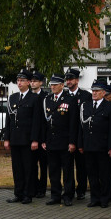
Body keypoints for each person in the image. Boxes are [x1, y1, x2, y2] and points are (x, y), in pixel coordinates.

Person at [5, 70, 43, 204]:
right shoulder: (13, 98)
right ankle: (18, 193)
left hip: (27, 140)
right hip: (15, 139)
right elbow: (8, 120)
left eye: (22, 80)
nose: (19, 83)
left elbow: (36, 121)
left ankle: (28, 194)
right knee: (17, 168)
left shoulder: (35, 98)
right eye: (18, 81)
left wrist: (35, 139)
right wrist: (7, 138)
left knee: (29, 168)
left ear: (28, 82)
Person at [80, 81, 111, 208]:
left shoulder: (110, 107)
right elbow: (82, 127)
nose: (94, 93)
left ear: (103, 93)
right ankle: (94, 198)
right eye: (93, 91)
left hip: (103, 146)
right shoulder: (86, 106)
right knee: (92, 174)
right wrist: (81, 144)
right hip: (89, 145)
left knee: (104, 174)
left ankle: (104, 198)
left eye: (97, 91)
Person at [41, 74, 78, 206]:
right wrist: (43, 140)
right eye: (51, 84)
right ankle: (55, 195)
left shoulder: (69, 99)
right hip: (51, 141)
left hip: (65, 141)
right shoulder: (48, 99)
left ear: (62, 85)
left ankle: (68, 195)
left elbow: (73, 123)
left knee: (67, 171)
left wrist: (72, 142)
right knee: (53, 170)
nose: (53, 87)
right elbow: (44, 123)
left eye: (55, 85)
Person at [63, 69, 88, 200]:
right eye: (67, 79)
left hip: (81, 134)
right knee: (67, 166)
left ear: (77, 80)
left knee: (81, 165)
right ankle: (69, 190)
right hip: (66, 135)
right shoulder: (64, 96)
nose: (68, 82)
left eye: (71, 79)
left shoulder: (85, 96)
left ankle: (81, 189)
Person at [30, 71, 49, 198]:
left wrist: (44, 139)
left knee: (43, 165)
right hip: (30, 137)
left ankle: (42, 188)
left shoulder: (46, 97)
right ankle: (34, 187)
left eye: (35, 81)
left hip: (42, 137)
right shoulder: (28, 96)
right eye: (31, 81)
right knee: (31, 165)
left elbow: (46, 121)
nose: (32, 83)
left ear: (41, 83)